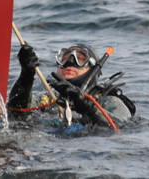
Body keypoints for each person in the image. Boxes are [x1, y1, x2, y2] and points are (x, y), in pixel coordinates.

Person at [7, 42, 136, 130]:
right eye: (64, 58)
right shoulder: (48, 99)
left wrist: (86, 107)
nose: (70, 63)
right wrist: (26, 75)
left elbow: (120, 127)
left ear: (93, 69)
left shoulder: (108, 101)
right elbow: (16, 111)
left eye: (80, 59)